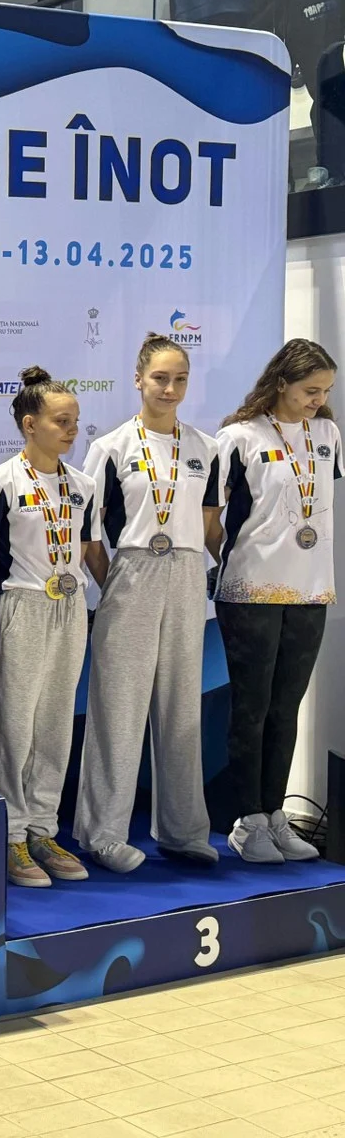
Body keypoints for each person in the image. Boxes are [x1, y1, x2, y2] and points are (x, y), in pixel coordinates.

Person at [74, 336, 221, 873]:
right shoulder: (111, 447)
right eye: (160, 377)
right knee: (118, 708)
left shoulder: (205, 448)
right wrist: (113, 582)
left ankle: (184, 831)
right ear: (138, 379)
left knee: (182, 709)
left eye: (180, 379)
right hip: (132, 570)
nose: (170, 388)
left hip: (186, 573)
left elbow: (209, 524)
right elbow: (88, 531)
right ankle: (103, 833)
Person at [0, 368, 99, 889]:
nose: (72, 430)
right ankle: (9, 834)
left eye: (75, 421)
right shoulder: (0, 483)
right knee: (13, 725)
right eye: (60, 421)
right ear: (29, 424)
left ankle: (43, 828)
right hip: (19, 605)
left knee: (54, 725)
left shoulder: (83, 485)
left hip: (69, 609)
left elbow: (85, 550)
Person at [212, 339, 338, 863]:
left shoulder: (327, 434)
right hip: (251, 591)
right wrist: (239, 561)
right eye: (311, 390)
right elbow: (210, 517)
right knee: (252, 708)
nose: (319, 400)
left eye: (325, 391)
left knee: (286, 709)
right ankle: (247, 821)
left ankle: (275, 813)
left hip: (310, 589)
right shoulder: (238, 437)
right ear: (281, 382)